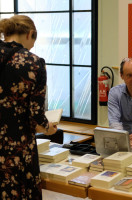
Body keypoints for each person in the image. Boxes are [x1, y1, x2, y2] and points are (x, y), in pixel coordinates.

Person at [0, 15, 57, 199]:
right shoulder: (34, 63)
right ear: (30, 33)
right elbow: (35, 115)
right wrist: (48, 129)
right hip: (18, 150)